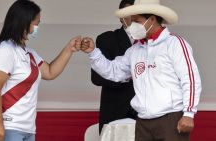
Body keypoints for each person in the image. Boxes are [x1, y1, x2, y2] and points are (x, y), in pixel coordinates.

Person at [80, 0, 202, 140]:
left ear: (151, 19)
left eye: (136, 21)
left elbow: (191, 79)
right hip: (143, 122)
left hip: (170, 119)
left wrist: (188, 113)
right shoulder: (135, 50)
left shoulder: (174, 44)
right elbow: (114, 71)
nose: (131, 26)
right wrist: (93, 52)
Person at [0, 0, 81, 141]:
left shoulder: (29, 53)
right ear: (23, 22)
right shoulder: (5, 50)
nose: (37, 27)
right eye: (36, 23)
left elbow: (50, 72)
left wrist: (69, 49)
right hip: (8, 126)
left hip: (26, 128)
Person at [91, 0, 137, 133]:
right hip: (116, 110)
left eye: (137, 14)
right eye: (129, 14)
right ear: (121, 17)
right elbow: (97, 78)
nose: (133, 18)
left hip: (145, 112)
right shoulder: (107, 39)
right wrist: (126, 77)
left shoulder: (150, 41)